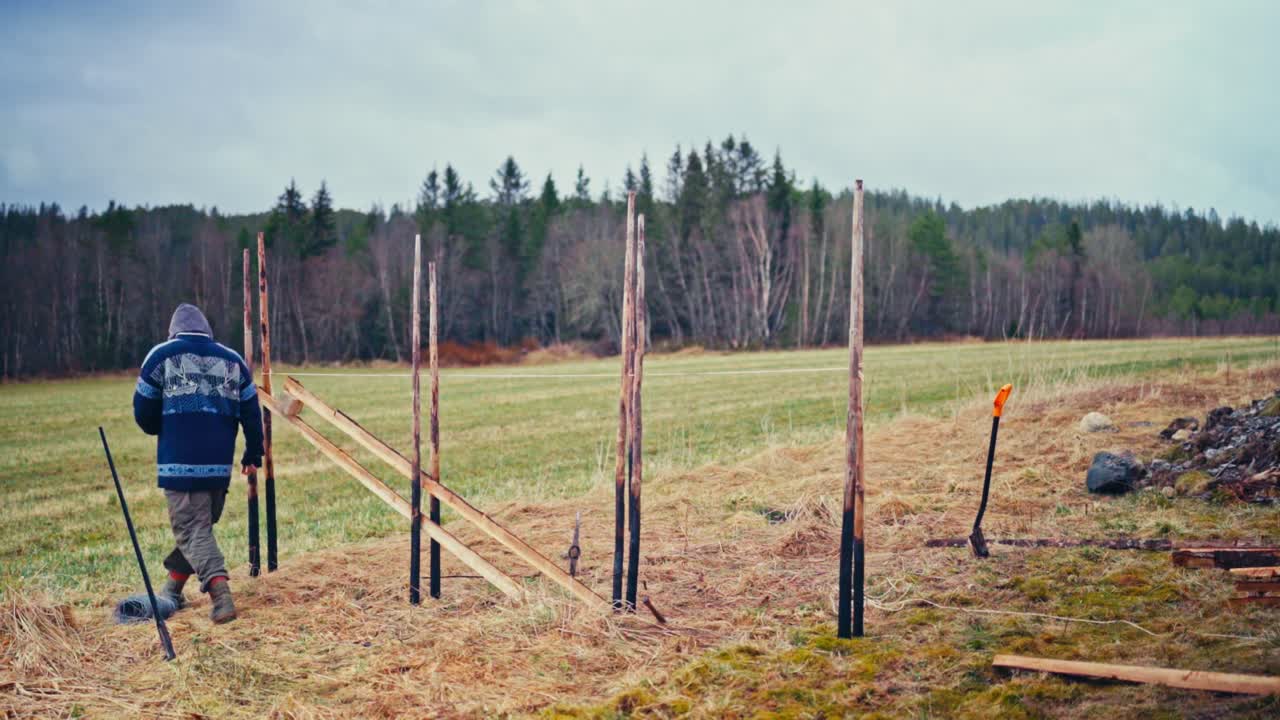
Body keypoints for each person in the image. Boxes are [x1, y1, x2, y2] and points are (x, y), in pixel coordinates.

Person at [133, 303, 264, 624]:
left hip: (179, 463)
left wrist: (160, 426)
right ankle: (172, 592)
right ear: (207, 329)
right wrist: (253, 453)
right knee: (197, 530)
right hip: (219, 466)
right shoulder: (233, 360)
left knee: (192, 531)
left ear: (173, 331)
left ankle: (221, 596)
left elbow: (144, 411)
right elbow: (251, 411)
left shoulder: (161, 355)